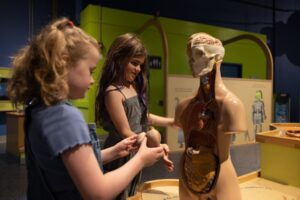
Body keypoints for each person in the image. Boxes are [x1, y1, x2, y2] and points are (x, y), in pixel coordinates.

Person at [7, 17, 166, 200]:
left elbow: (68, 164)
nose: (92, 80)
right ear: (64, 64)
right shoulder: (64, 117)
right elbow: (97, 192)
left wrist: (113, 152)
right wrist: (141, 160)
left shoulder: (40, 109)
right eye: (90, 71)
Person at [95, 33, 174, 199]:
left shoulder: (133, 88)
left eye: (140, 65)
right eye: (134, 63)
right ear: (119, 59)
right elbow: (125, 132)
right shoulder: (113, 92)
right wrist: (155, 145)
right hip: (120, 154)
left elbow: (144, 118)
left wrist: (172, 122)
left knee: (132, 192)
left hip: (136, 150)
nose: (138, 69)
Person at [174, 32, 247, 200]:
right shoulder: (184, 107)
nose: (191, 61)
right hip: (187, 175)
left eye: (198, 54)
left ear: (215, 56)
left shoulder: (231, 105)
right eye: (190, 56)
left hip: (221, 178)